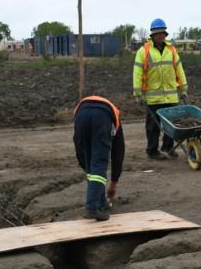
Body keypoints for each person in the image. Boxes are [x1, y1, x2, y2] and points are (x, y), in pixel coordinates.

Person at [133, 18, 188, 160]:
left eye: (162, 33)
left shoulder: (171, 50)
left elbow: (179, 69)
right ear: (152, 35)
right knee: (153, 127)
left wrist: (183, 87)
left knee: (171, 125)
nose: (160, 35)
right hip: (153, 97)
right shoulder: (143, 51)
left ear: (165, 34)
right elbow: (137, 72)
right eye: (157, 33)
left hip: (171, 95)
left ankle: (168, 148)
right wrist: (137, 92)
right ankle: (152, 151)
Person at [73, 95, 125, 221]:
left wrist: (86, 167)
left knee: (91, 162)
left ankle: (100, 201)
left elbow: (78, 144)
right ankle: (92, 207)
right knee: (99, 163)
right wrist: (114, 183)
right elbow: (118, 154)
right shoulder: (114, 120)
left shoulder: (83, 110)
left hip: (81, 114)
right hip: (101, 117)